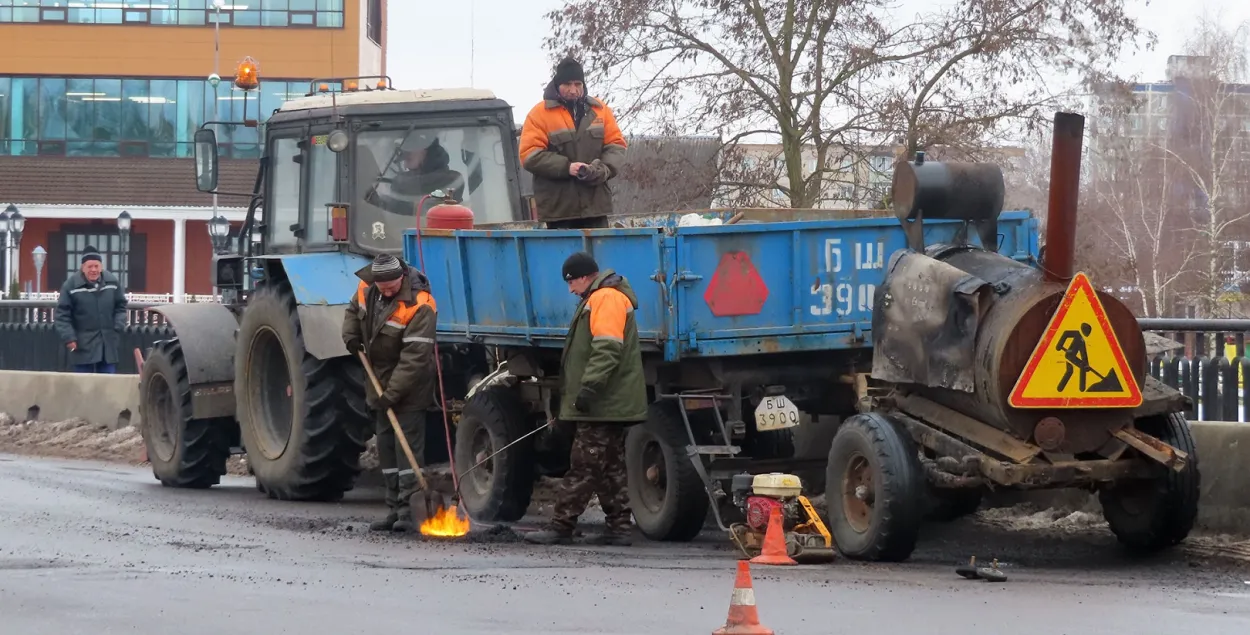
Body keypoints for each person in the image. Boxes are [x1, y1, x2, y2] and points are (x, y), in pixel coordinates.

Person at [523, 252, 647, 546]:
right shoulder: (604, 297)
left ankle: (561, 526)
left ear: (583, 277)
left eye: (570, 281)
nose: (569, 289)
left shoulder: (605, 298)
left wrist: (589, 389)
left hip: (604, 401)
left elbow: (606, 348)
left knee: (583, 464)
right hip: (610, 402)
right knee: (610, 467)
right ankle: (619, 528)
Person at [342, 254, 439, 533]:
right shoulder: (367, 288)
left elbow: (414, 358)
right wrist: (350, 336)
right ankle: (394, 508)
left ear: (402, 278)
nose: (385, 291)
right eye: (380, 286)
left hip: (410, 385)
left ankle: (409, 510)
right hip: (378, 380)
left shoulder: (420, 304)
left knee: (406, 449)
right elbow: (352, 312)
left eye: (390, 286)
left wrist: (393, 393)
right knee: (386, 447)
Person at [519, 57, 628, 230]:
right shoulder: (539, 114)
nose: (573, 90)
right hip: (559, 210)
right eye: (567, 84)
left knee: (598, 257)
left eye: (578, 84)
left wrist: (601, 169)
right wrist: (567, 167)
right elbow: (529, 155)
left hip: (595, 207)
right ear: (557, 85)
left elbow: (616, 145)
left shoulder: (600, 110)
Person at [54, 246, 128, 374]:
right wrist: (69, 338)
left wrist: (118, 326)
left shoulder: (112, 282)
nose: (93, 270)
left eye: (96, 266)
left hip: (107, 344)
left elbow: (121, 306)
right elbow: (62, 315)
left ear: (101, 267)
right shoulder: (70, 286)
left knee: (108, 385)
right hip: (82, 345)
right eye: (90, 267)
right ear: (83, 268)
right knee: (83, 387)